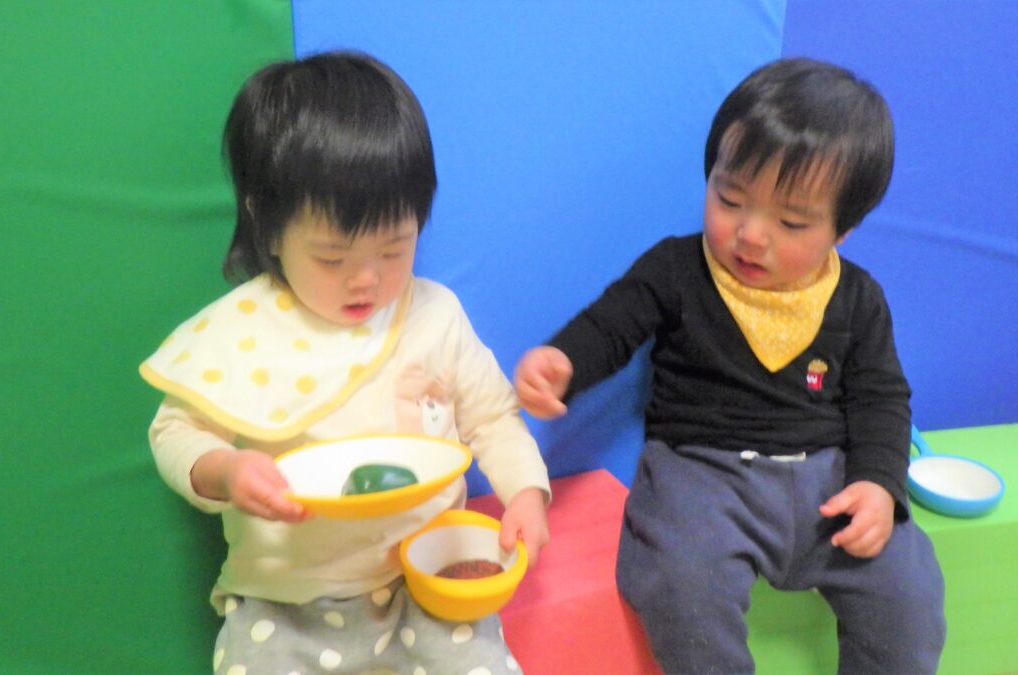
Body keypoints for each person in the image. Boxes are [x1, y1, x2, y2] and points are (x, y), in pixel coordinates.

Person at [513, 57, 945, 673]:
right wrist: (563, 361)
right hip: (702, 475)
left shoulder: (857, 299)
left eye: (790, 221)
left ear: (842, 231)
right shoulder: (676, 269)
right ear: (710, 175)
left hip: (828, 479)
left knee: (909, 589)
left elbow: (881, 399)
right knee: (680, 580)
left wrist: (878, 484)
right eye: (730, 198)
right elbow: (612, 324)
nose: (751, 234)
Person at [140, 51, 550, 674]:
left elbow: (493, 418)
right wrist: (224, 470)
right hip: (286, 600)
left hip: (429, 577)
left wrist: (526, 493)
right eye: (332, 258)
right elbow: (175, 431)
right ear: (267, 227)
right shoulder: (240, 332)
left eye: (395, 249)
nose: (366, 280)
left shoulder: (435, 315)